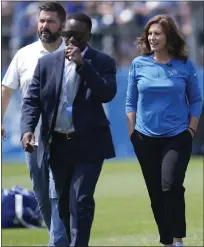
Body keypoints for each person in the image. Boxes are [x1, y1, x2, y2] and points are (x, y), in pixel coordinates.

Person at [20, 12, 117, 246]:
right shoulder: (46, 63)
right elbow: (32, 100)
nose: (70, 40)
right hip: (58, 144)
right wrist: (27, 129)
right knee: (62, 203)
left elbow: (107, 93)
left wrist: (83, 65)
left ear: (89, 36)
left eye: (77, 36)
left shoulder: (103, 62)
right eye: (66, 34)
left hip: (90, 144)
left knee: (81, 200)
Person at [126, 15, 202, 247]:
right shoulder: (138, 64)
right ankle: (167, 241)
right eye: (149, 34)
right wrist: (133, 134)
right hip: (144, 138)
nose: (152, 38)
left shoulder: (184, 65)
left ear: (169, 37)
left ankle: (178, 240)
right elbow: (130, 102)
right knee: (155, 192)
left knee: (170, 186)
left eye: (157, 33)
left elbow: (196, 100)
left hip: (178, 136)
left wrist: (191, 129)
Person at [2, 2, 68, 246]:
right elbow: (6, 90)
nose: (44, 25)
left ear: (62, 24)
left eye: (50, 21)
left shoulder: (73, 54)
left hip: (64, 135)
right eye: (42, 20)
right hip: (32, 136)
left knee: (56, 191)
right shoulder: (24, 54)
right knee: (41, 192)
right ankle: (60, 238)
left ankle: (57, 242)